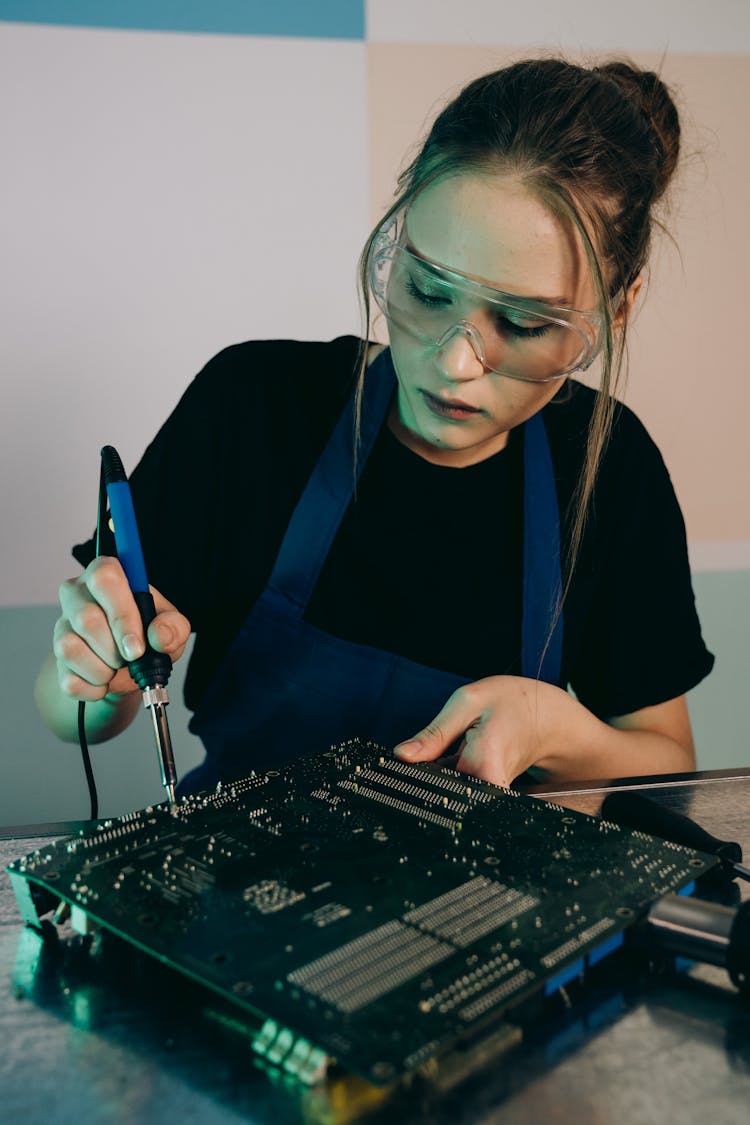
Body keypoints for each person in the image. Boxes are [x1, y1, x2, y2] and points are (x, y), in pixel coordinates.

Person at [34, 58, 714, 794]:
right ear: (397, 227)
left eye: (523, 323)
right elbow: (71, 707)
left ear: (618, 307)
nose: (455, 362)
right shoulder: (253, 404)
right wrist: (94, 677)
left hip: (486, 905)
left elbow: (668, 765)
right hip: (230, 885)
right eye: (427, 288)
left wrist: (555, 728)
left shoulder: (610, 469)